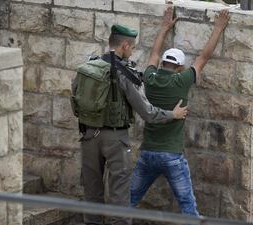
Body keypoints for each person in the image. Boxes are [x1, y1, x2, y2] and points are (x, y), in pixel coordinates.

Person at [71, 24, 188, 225]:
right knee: (119, 196)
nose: (132, 51)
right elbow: (147, 113)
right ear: (125, 45)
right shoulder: (124, 72)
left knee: (92, 193)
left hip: (88, 135)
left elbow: (75, 97)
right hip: (115, 139)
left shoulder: (90, 65)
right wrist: (173, 114)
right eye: (132, 48)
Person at [129, 7, 230, 217]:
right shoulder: (181, 81)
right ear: (179, 67)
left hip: (148, 153)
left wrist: (164, 27)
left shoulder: (150, 78)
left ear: (163, 64)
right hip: (172, 156)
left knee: (128, 200)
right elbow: (204, 57)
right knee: (188, 207)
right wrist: (219, 28)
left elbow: (154, 53)